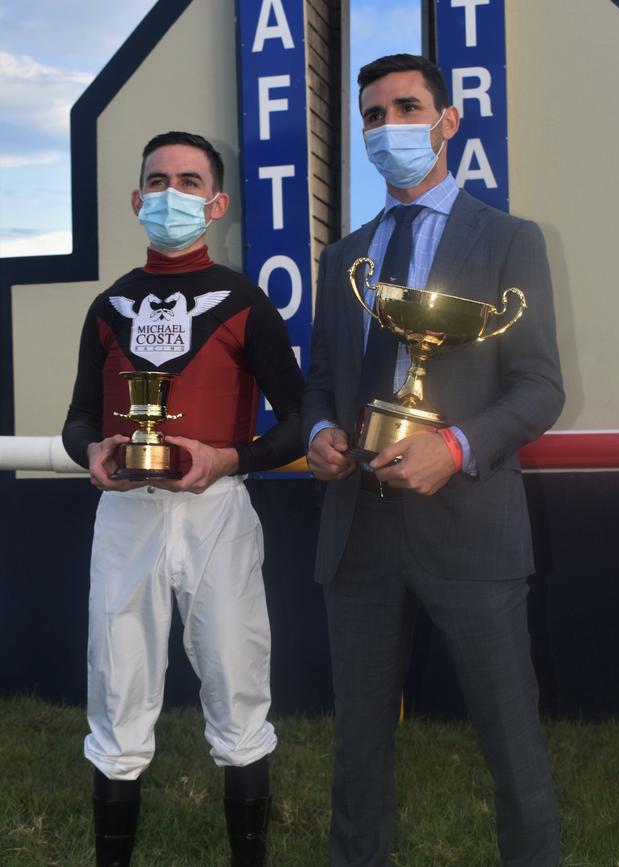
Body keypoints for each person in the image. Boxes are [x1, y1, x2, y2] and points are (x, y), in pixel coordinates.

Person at [303, 54, 564, 867]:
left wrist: (453, 447)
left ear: (447, 122)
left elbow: (540, 389)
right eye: (373, 116)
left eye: (406, 108)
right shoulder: (344, 255)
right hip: (360, 536)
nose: (389, 128)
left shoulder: (511, 241)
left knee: (512, 745)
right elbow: (320, 382)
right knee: (358, 751)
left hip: (471, 530)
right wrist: (319, 434)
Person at [62, 131, 304, 867]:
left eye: (189, 181)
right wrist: (92, 450)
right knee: (117, 684)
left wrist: (231, 457)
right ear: (137, 199)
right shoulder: (108, 306)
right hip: (127, 514)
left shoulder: (245, 301)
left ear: (217, 201)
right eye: (158, 181)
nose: (172, 194)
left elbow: (296, 421)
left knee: (237, 682)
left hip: (217, 513)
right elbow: (78, 417)